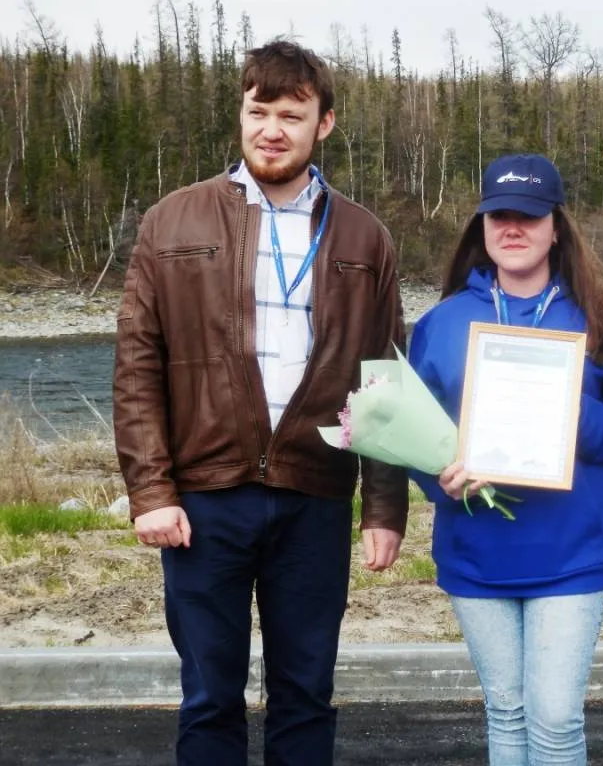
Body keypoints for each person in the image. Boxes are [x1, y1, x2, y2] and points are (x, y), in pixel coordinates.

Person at [113, 40, 409, 765]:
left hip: (315, 497)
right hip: (204, 501)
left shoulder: (365, 236)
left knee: (305, 695)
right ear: (241, 114)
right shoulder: (172, 222)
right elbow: (137, 365)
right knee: (210, 697)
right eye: (258, 110)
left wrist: (383, 507)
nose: (271, 128)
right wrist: (150, 490)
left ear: (324, 125)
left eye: (291, 114)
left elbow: (384, 376)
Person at [406, 153, 603, 766]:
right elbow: (413, 433)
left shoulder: (599, 318)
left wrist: (574, 418)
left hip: (572, 551)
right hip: (477, 552)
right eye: (499, 216)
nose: (512, 227)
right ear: (482, 226)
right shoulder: (442, 324)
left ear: (555, 226)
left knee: (552, 719)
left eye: (528, 215)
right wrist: (438, 480)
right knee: (508, 712)